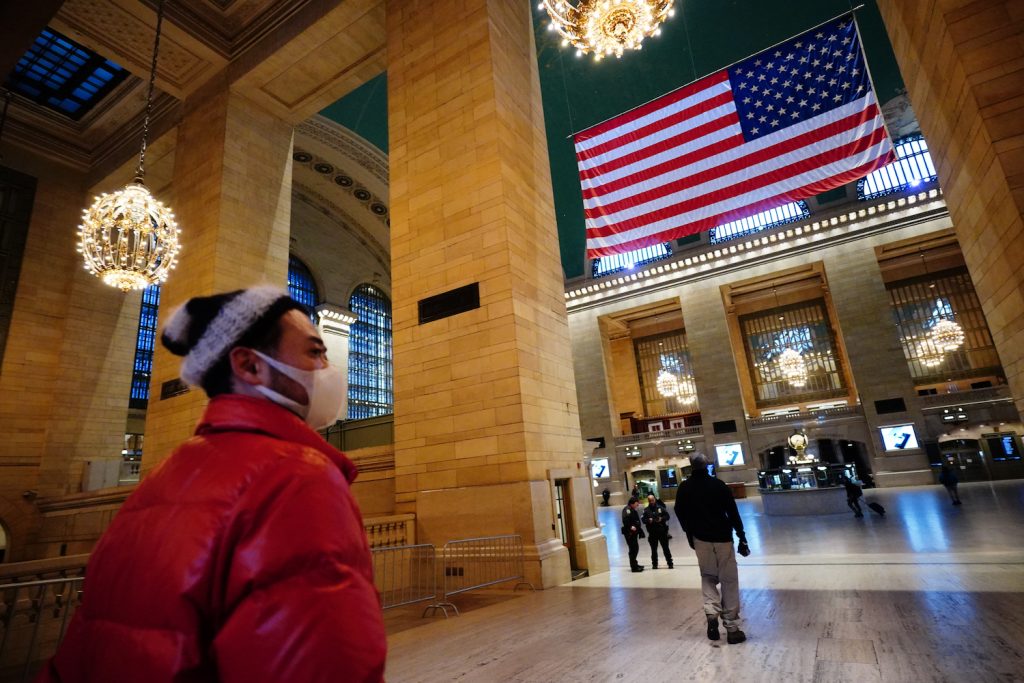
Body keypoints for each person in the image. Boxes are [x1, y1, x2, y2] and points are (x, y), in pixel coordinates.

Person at [39, 287, 386, 682]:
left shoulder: (164, 474)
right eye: (314, 352)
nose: (329, 369)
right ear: (250, 366)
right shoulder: (296, 477)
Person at [674, 454, 749, 644]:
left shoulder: (684, 487)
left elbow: (679, 511)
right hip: (723, 538)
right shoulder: (718, 485)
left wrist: (689, 532)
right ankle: (731, 628)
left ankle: (711, 613)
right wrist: (741, 534)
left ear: (691, 467)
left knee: (707, 576)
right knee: (729, 580)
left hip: (700, 539)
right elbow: (732, 511)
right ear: (706, 465)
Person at [641, 494, 673, 569]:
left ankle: (670, 563)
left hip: (662, 532)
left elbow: (667, 516)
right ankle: (654, 564)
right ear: (648, 501)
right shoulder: (646, 510)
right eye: (650, 501)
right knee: (653, 550)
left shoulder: (660, 508)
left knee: (666, 548)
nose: (651, 502)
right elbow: (643, 520)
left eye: (652, 500)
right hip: (652, 533)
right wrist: (648, 520)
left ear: (654, 499)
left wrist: (661, 519)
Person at [621, 496, 645, 572]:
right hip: (630, 533)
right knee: (633, 549)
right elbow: (626, 520)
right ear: (632, 503)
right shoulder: (627, 510)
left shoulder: (632, 509)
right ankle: (634, 567)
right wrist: (631, 527)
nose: (637, 505)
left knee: (635, 548)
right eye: (636, 504)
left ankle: (635, 564)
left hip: (634, 533)